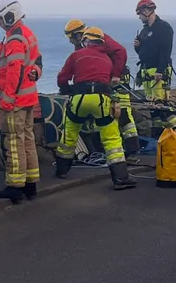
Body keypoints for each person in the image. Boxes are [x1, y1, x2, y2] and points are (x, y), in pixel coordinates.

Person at [55, 27, 137, 190]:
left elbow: (62, 78)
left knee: (69, 134)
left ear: (86, 41)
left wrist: (65, 89)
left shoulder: (77, 55)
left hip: (79, 99)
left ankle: (62, 170)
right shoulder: (107, 59)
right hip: (102, 100)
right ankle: (120, 178)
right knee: (112, 138)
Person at [0, 0, 43, 204]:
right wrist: (36, 72)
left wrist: (7, 99)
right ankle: (31, 184)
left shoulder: (14, 39)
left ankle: (15, 186)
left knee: (13, 142)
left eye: (0, 18)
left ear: (10, 16)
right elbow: (37, 61)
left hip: (16, 101)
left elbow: (15, 70)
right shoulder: (28, 34)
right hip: (29, 98)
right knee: (27, 139)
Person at [64, 18, 140, 158]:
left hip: (117, 80)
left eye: (71, 38)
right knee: (103, 115)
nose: (70, 42)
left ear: (77, 35)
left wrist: (115, 75)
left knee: (123, 113)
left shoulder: (97, 37)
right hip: (103, 84)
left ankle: (133, 149)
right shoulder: (82, 46)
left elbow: (120, 52)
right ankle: (106, 150)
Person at [133, 0, 176, 138]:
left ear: (147, 11)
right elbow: (142, 54)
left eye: (140, 14)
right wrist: (137, 46)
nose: (139, 17)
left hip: (158, 72)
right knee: (153, 108)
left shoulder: (163, 27)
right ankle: (159, 136)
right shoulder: (144, 31)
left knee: (161, 105)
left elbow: (166, 50)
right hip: (147, 72)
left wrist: (160, 70)